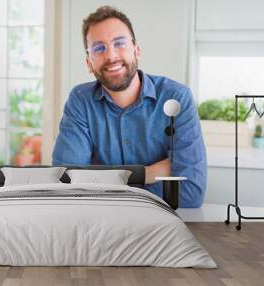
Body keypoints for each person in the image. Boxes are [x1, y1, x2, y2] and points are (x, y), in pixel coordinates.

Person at [52, 6, 207, 208]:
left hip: (161, 229)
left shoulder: (177, 97)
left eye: (119, 43)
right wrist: (148, 174)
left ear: (137, 51)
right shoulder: (80, 101)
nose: (111, 56)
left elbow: (190, 193)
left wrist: (99, 180)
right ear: (89, 62)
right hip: (100, 228)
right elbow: (65, 184)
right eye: (99, 48)